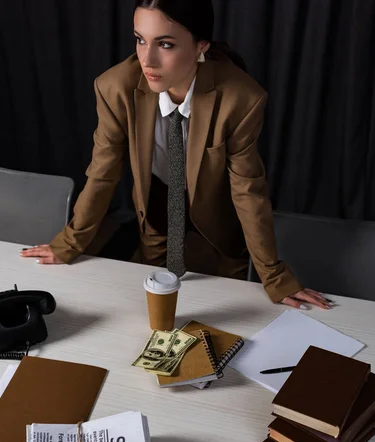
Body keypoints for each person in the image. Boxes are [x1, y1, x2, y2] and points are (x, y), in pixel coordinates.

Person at [21, 0, 332, 311]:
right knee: (152, 300)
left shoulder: (241, 99)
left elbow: (247, 190)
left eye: (165, 44)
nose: (147, 59)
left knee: (230, 305)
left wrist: (274, 276)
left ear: (200, 47)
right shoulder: (115, 87)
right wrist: (69, 243)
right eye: (140, 39)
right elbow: (103, 171)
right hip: (156, 202)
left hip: (219, 211)